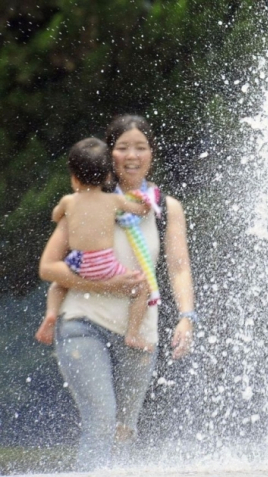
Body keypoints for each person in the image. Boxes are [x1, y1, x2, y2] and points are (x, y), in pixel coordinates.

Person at [38, 115, 197, 470]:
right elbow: (50, 266)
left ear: (152, 153)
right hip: (83, 323)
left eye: (140, 147)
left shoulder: (165, 208)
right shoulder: (88, 200)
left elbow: (179, 267)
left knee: (125, 429)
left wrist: (186, 317)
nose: (132, 156)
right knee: (101, 420)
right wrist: (103, 285)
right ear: (110, 154)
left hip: (139, 333)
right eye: (123, 147)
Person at [35, 138, 155, 351]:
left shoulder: (69, 201)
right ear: (108, 176)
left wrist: (64, 213)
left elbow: (55, 216)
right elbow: (140, 210)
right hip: (105, 264)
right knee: (143, 286)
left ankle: (51, 314)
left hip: (79, 263)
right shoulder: (113, 201)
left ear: (74, 179)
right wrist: (146, 202)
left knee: (58, 284)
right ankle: (133, 333)